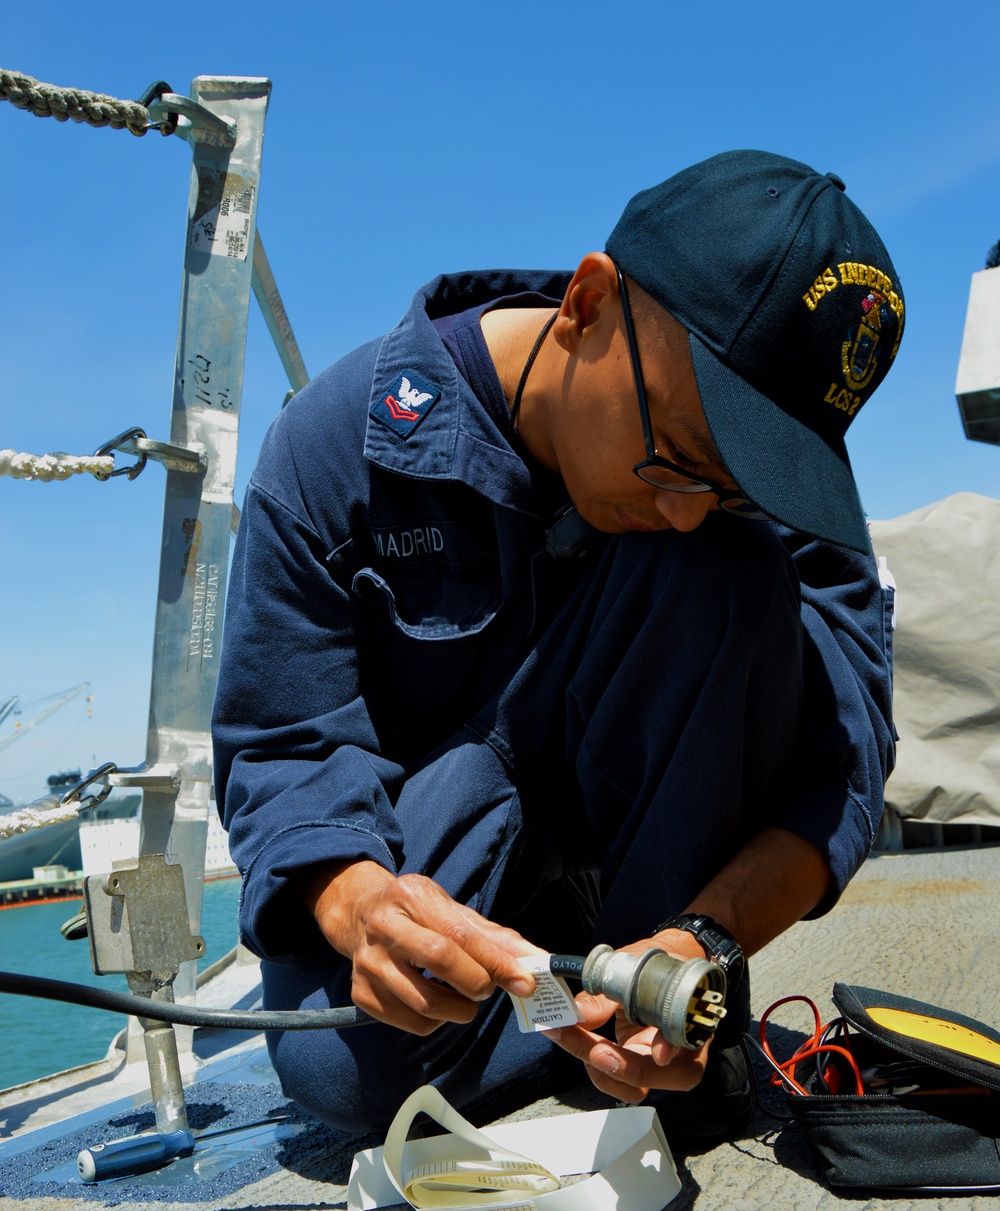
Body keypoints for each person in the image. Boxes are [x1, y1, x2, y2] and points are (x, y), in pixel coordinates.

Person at [212, 150, 903, 1142]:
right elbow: (283, 743)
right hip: (457, 850)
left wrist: (699, 944)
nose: (682, 508)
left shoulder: (758, 488)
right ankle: (571, 1010)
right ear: (585, 303)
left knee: (730, 565)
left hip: (659, 877)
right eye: (671, 454)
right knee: (344, 1072)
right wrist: (357, 902)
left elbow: (842, 761)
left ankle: (642, 1009)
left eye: (733, 483)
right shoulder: (330, 448)